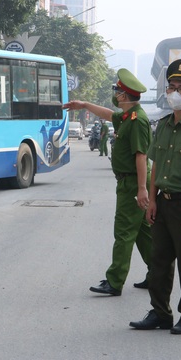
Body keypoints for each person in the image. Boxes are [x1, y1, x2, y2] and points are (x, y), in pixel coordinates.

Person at [129, 59, 181, 335]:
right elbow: (155, 168)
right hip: (162, 204)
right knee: (159, 261)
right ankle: (160, 313)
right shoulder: (164, 125)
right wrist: (151, 201)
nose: (175, 92)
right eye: (172, 87)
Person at [63, 68, 152, 296]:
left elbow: (141, 156)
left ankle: (114, 281)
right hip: (131, 182)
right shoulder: (127, 116)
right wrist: (84, 105)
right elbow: (106, 114)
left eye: (117, 91)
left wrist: (142, 189)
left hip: (133, 183)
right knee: (143, 233)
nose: (115, 94)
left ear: (123, 95)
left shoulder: (138, 121)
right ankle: (158, 273)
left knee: (123, 232)